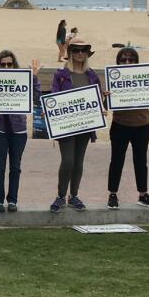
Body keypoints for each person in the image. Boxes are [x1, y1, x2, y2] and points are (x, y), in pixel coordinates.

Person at [104, 46, 149, 210]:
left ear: (137, 62)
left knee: (141, 160)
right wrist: (105, 96)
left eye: (131, 59)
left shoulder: (146, 76)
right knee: (116, 160)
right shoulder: (113, 79)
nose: (127, 62)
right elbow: (105, 106)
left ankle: (143, 194)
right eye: (124, 60)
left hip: (142, 125)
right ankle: (113, 194)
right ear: (118, 62)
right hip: (120, 125)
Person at [48, 39, 102, 212]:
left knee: (78, 162)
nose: (80, 53)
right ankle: (60, 196)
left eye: (83, 50)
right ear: (70, 53)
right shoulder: (61, 75)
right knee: (68, 161)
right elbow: (54, 96)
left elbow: (99, 98)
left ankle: (74, 195)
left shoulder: (92, 75)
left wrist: (103, 103)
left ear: (87, 53)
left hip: (85, 126)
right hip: (66, 126)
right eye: (77, 50)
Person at [0, 50, 40, 213]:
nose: (6, 66)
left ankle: (13, 200)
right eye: (3, 64)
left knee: (16, 167)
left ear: (14, 64)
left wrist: (34, 77)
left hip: (18, 131)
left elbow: (36, 98)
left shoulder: (24, 79)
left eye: (9, 64)